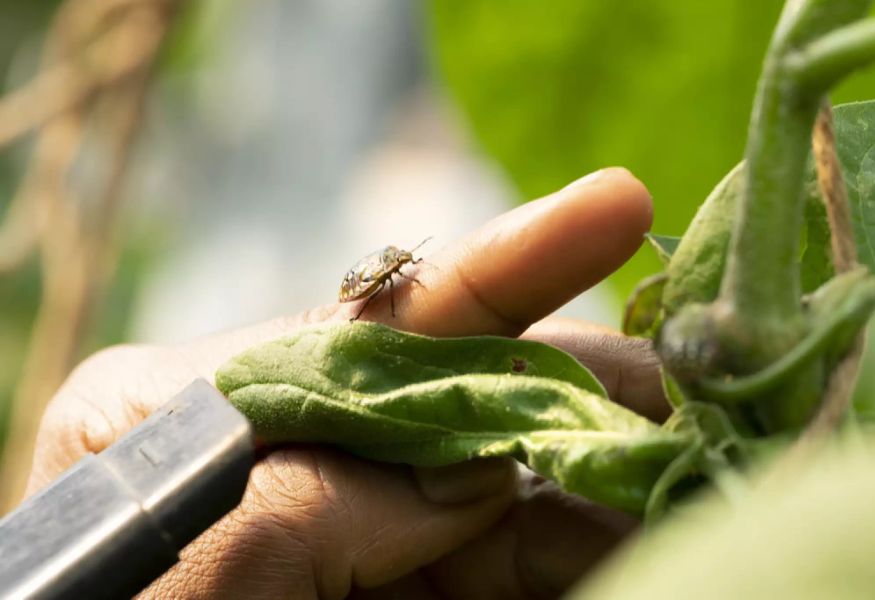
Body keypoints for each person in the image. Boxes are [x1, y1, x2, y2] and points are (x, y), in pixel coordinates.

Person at [23, 167, 669, 598]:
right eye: (406, 262)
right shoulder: (387, 280)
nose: (409, 267)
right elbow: (380, 287)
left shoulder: (393, 270)